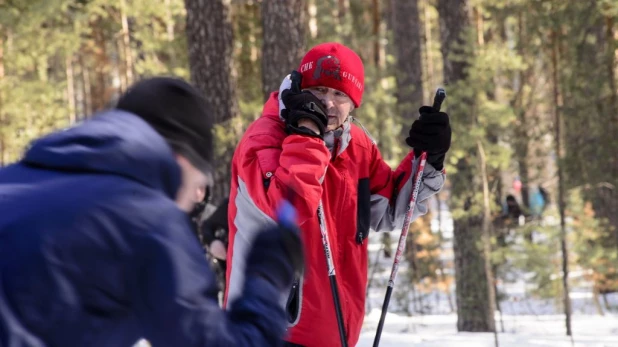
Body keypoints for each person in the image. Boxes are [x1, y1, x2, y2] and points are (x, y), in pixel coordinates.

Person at [0, 77, 303, 346]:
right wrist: (266, 278)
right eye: (198, 185)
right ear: (181, 160)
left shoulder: (13, 180)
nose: (195, 200)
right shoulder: (146, 219)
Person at [225, 42, 451, 346]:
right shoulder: (265, 139)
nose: (328, 104)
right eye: (318, 90)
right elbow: (286, 207)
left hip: (337, 333)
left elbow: (391, 208)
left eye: (339, 94)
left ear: (353, 103)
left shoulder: (357, 145)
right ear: (299, 90)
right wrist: (306, 134)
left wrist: (429, 158)